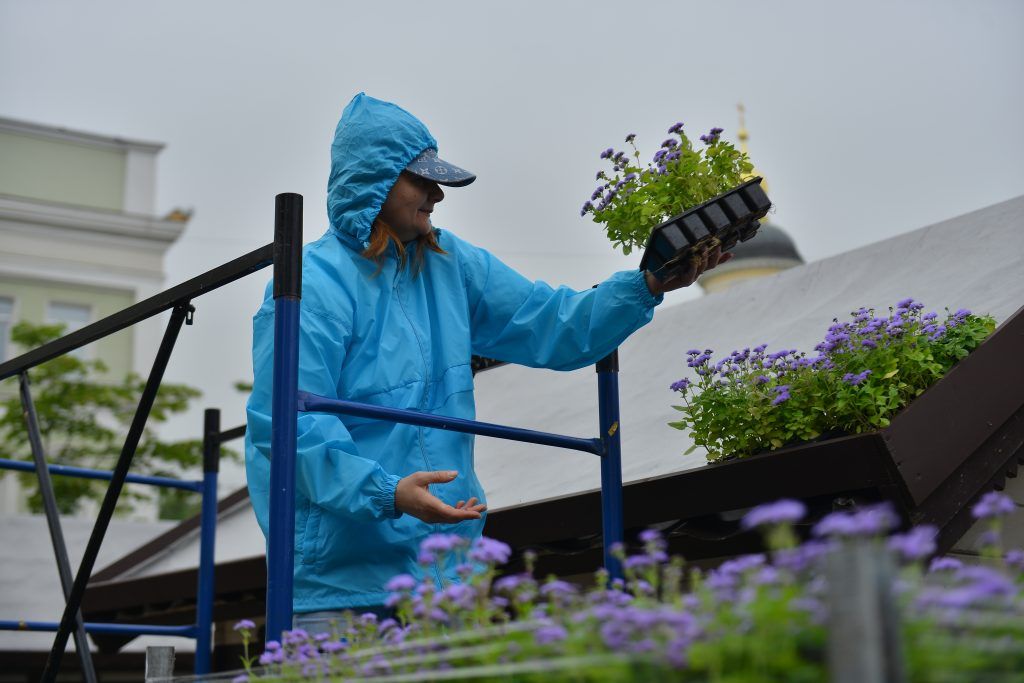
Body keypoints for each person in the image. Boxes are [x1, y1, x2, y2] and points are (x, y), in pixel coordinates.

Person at [244, 93, 730, 631]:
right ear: (374, 182)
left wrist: (649, 284)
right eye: (420, 181)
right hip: (339, 584)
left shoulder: (452, 264)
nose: (436, 196)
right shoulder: (313, 282)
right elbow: (290, 427)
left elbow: (552, 323)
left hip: (443, 575)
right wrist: (387, 492)